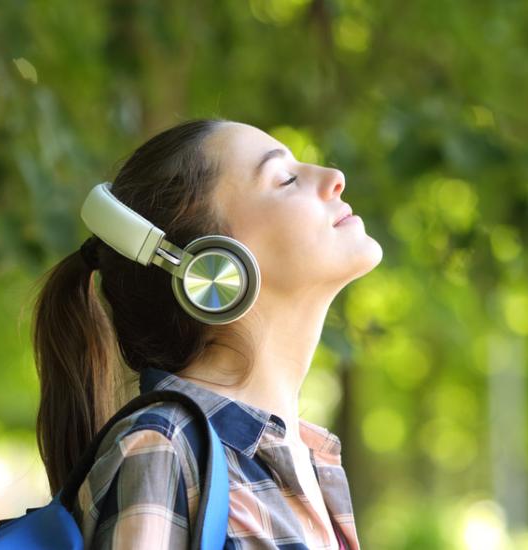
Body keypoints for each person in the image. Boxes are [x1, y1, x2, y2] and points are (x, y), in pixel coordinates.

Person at [29, 118, 382, 549]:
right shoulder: (165, 450)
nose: (334, 178)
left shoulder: (311, 458)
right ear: (211, 268)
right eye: (286, 179)